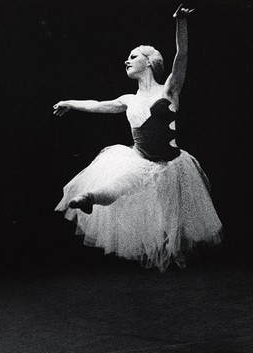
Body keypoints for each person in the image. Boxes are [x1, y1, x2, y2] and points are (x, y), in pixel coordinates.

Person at [53, 4, 222, 272]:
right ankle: (89, 197)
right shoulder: (128, 99)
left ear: (150, 62)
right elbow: (97, 104)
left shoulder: (169, 89)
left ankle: (175, 250)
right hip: (141, 159)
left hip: (172, 163)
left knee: (171, 216)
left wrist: (180, 23)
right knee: (121, 184)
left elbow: (183, 54)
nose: (127, 60)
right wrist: (69, 102)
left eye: (133, 56)